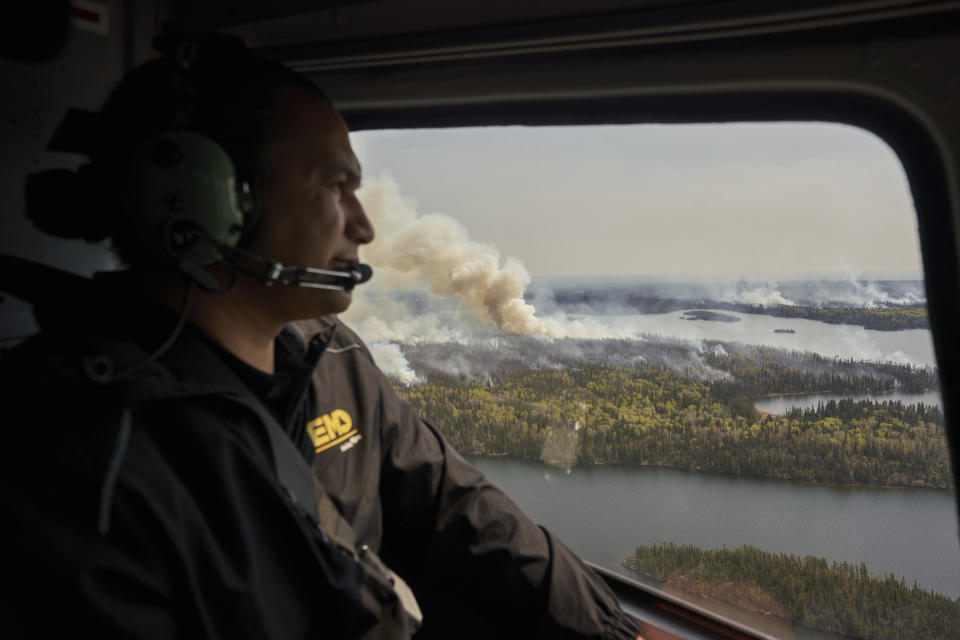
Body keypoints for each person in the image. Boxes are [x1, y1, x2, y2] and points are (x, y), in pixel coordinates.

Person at [1, 34, 647, 639]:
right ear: (209, 203)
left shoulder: (329, 352)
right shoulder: (82, 465)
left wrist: (618, 632)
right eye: (337, 186)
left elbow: (458, 507)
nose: (364, 226)